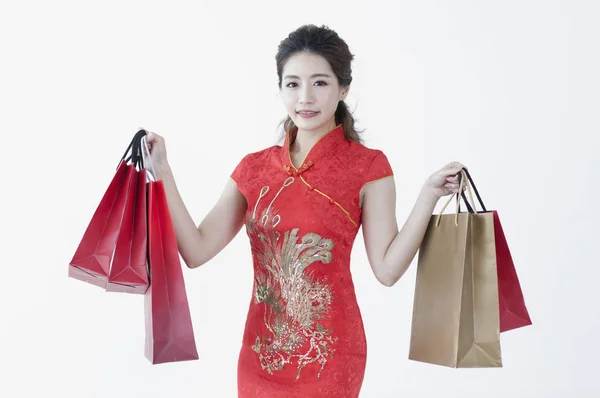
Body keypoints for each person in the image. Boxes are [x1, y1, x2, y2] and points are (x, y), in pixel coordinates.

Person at [143, 24, 466, 398]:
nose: (305, 97)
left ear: (343, 89)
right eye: (293, 84)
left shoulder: (367, 167)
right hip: (261, 354)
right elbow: (196, 251)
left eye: (321, 83)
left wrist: (428, 195)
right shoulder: (254, 168)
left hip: (331, 354)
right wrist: (163, 171)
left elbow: (388, 270)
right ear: (280, 89)